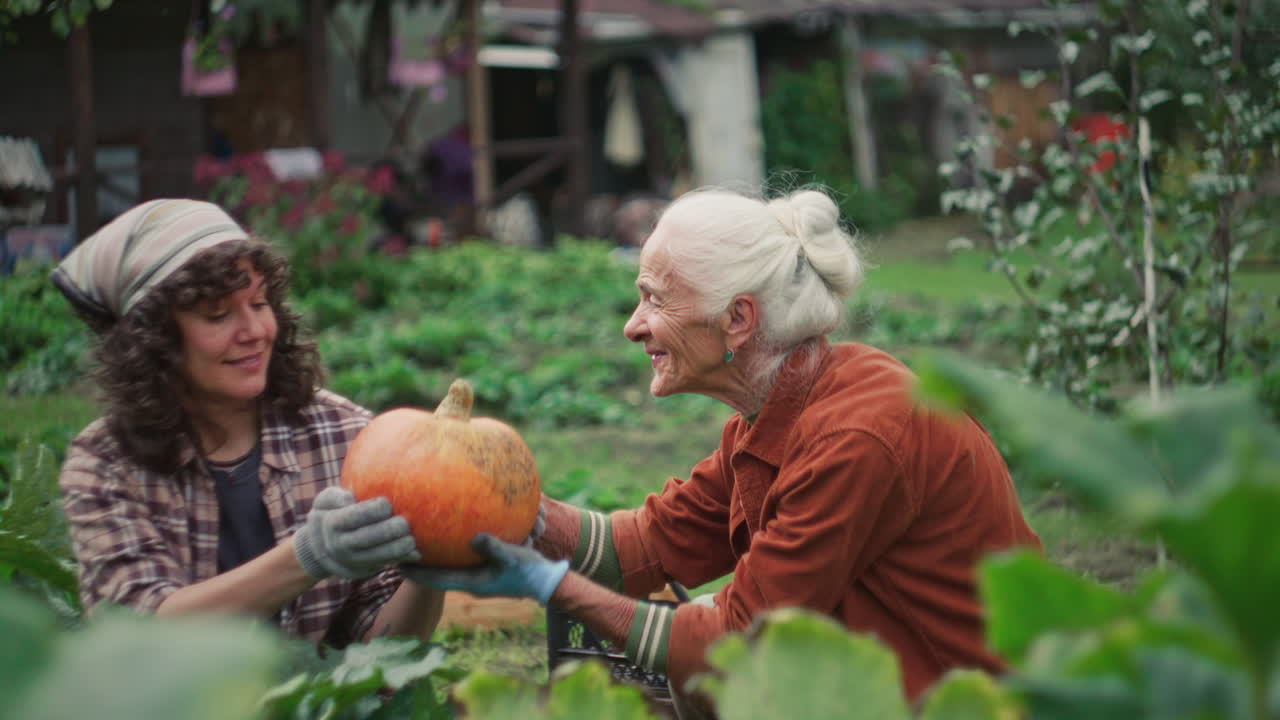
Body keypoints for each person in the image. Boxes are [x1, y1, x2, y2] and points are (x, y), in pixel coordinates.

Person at [404, 187, 1043, 713]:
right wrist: (506, 512)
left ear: (738, 320)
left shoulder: (856, 436)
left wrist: (552, 586)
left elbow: (736, 639)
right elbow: (652, 542)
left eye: (656, 298)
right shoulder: (775, 412)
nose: (633, 325)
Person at [52, 198, 443, 647]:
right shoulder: (104, 464)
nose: (254, 330)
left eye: (259, 303)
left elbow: (377, 650)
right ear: (152, 341)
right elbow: (138, 638)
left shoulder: (348, 435)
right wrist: (309, 556)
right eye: (218, 314)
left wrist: (429, 575)